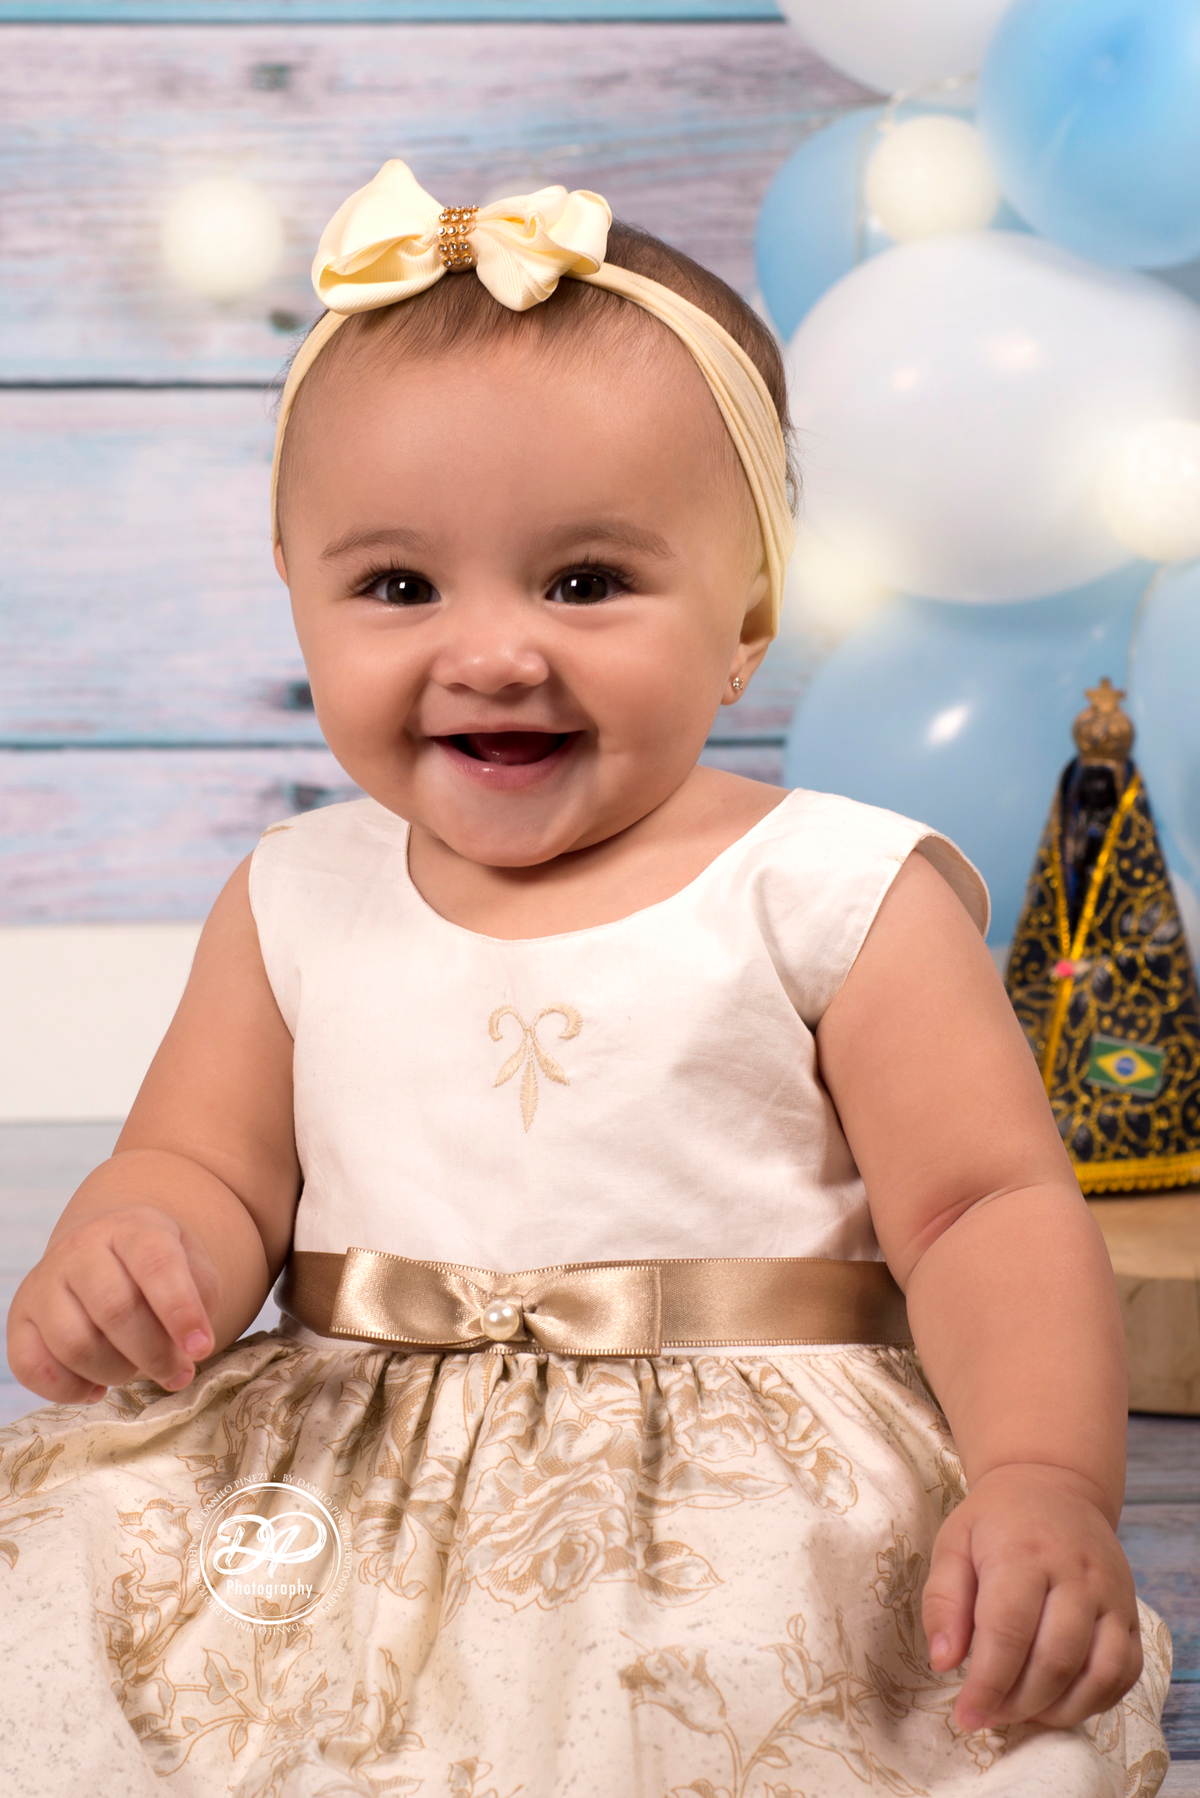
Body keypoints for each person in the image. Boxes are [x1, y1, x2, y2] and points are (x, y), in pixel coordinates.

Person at [0, 163, 1170, 1798]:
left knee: (809, 1721)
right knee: (101, 1600)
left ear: (748, 609)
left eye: (585, 582)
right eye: (398, 586)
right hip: (352, 1495)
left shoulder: (834, 890)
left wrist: (1043, 1473)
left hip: (735, 1520)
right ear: (297, 589)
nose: (495, 653)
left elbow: (983, 1211)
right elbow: (203, 1165)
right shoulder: (297, 895)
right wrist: (138, 1244)